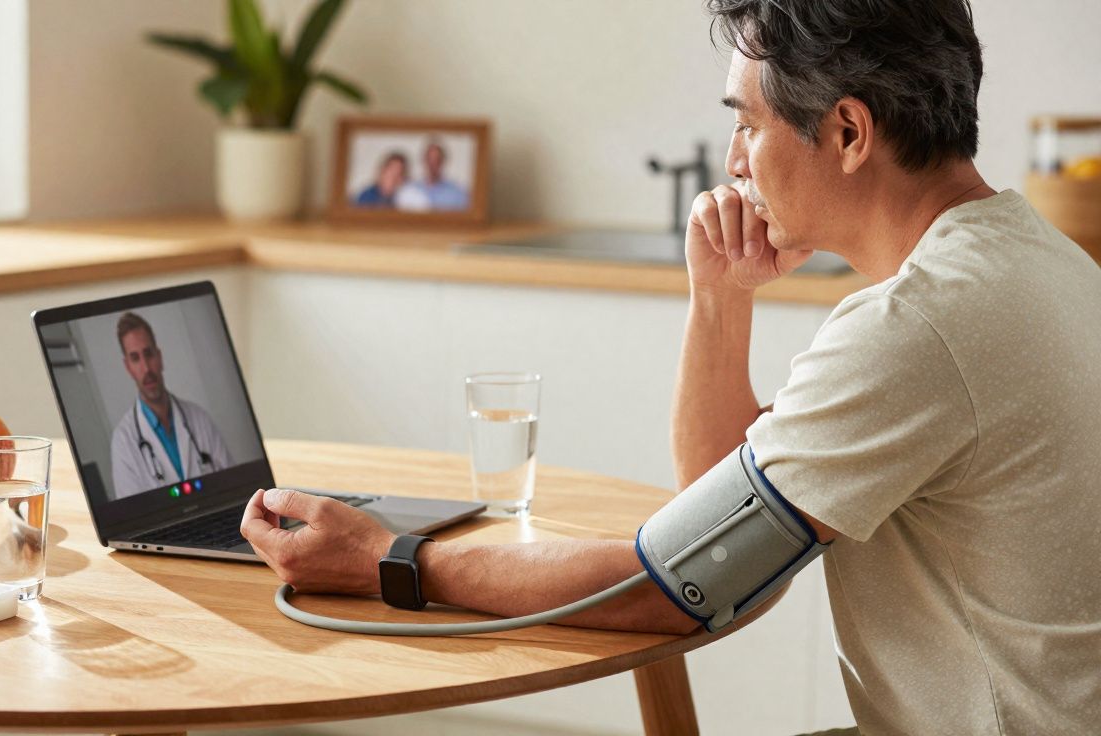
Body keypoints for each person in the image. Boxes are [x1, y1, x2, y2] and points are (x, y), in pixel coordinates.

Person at [240, 1, 1101, 733]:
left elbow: (675, 583)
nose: (733, 161)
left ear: (846, 131)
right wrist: (721, 299)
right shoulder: (1040, 261)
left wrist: (389, 558)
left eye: (747, 123)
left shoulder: (915, 328)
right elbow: (715, 523)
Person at [110, 312, 231, 499]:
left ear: (159, 357)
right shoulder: (123, 442)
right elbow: (134, 518)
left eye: (148, 354)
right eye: (135, 358)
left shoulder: (200, 419)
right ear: (128, 367)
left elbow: (233, 487)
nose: (146, 368)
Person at [396, 140, 469, 211]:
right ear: (423, 161)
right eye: (429, 160)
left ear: (443, 161)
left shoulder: (457, 193)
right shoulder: (410, 191)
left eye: (436, 160)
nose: (432, 165)